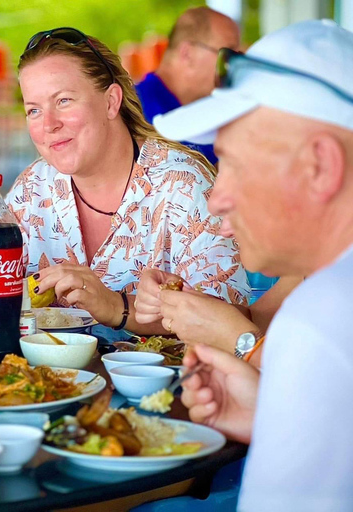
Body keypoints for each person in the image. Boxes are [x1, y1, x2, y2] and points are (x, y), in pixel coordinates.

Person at [153, 20, 353, 509]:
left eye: (235, 164)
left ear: (321, 166)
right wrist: (277, 412)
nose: (217, 197)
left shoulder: (323, 318)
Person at [6, 27, 249, 336]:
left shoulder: (183, 185)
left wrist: (117, 306)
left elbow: (236, 319)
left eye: (64, 100)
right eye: (34, 110)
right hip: (43, 381)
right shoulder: (31, 189)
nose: (49, 125)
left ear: (111, 102)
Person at [134, 265, 302, 368]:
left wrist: (240, 342)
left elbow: (319, 385)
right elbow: (258, 319)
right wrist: (190, 307)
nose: (224, 229)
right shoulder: (307, 272)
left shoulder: (327, 274)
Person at [135, 7, 240, 164]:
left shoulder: (211, 110)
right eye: (228, 55)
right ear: (187, 54)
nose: (234, 65)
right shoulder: (135, 115)